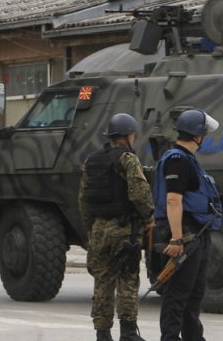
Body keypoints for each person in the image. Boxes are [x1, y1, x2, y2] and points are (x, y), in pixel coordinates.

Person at [79, 113, 155, 341]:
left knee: (102, 282)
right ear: (128, 136)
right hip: (124, 229)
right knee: (128, 278)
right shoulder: (128, 159)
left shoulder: (91, 160)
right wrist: (149, 217)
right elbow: (139, 192)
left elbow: (83, 199)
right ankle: (128, 333)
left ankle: (102, 334)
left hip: (99, 229)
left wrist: (91, 228)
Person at [152, 109, 222, 341]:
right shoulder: (177, 160)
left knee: (194, 293)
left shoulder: (188, 159)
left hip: (196, 234)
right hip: (184, 234)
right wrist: (176, 238)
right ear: (197, 135)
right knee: (177, 293)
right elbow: (173, 200)